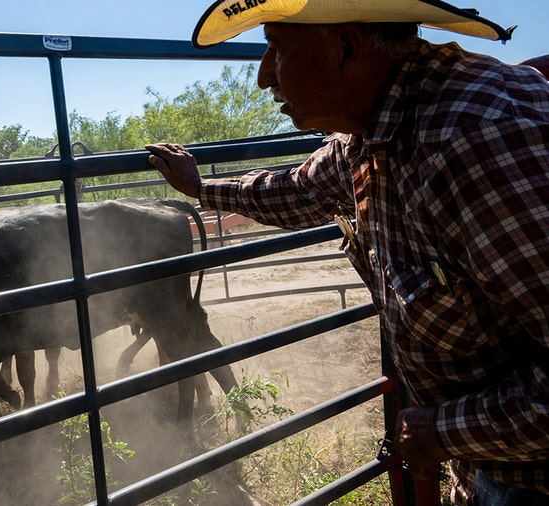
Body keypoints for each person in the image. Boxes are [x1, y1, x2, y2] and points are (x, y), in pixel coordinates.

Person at [145, 1, 549, 505]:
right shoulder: (368, 133)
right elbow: (294, 190)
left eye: (278, 47)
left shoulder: (476, 144)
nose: (264, 76)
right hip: (495, 463)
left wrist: (444, 431)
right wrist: (202, 188)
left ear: (347, 47)